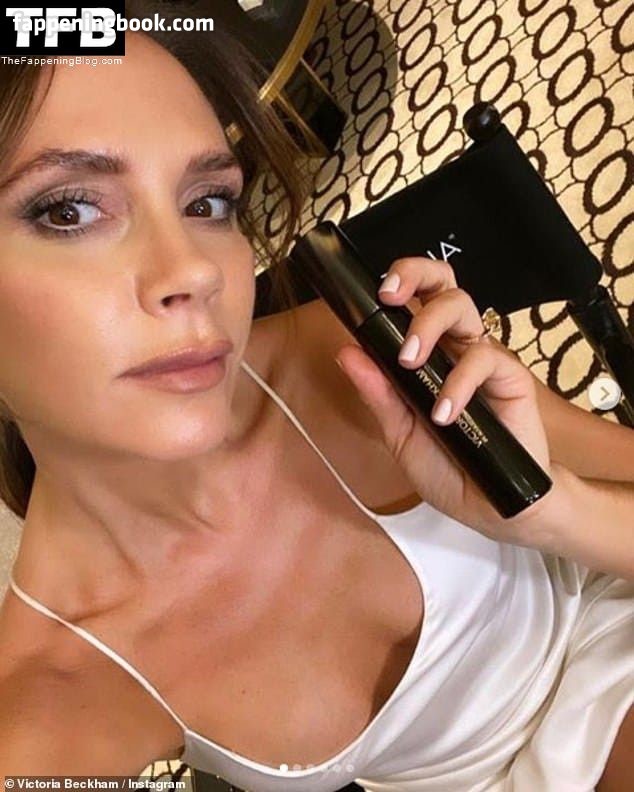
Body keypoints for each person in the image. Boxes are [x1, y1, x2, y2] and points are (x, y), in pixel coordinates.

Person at [0, 14, 632, 792]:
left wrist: (549, 510)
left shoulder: (347, 358)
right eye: (67, 210)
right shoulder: (53, 686)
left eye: (208, 202)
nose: (196, 270)